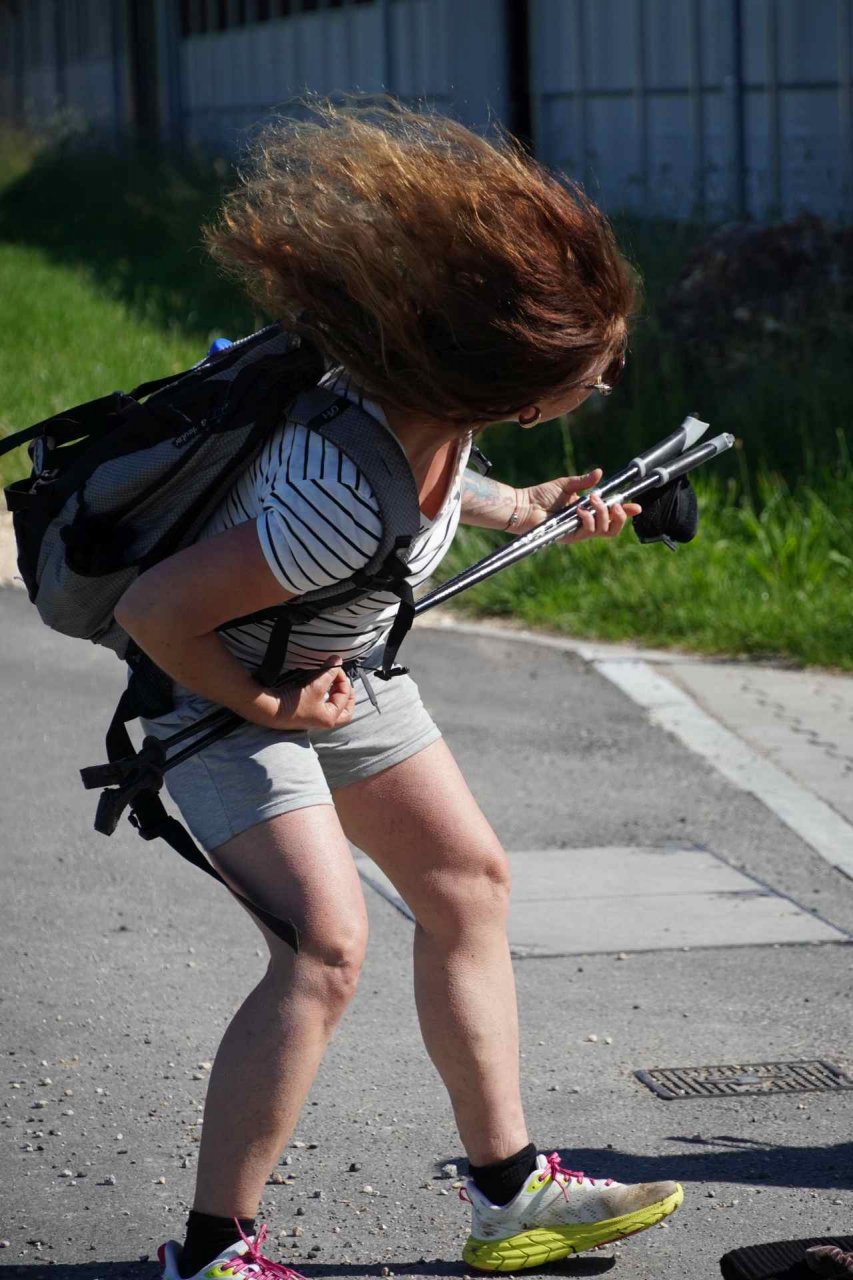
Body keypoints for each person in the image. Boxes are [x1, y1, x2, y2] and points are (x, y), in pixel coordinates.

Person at [114, 102, 683, 1280]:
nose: (605, 383)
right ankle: (212, 1252)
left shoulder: (432, 405)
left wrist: (524, 507)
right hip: (219, 690)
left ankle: (508, 1195)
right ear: (520, 386)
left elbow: (434, 477)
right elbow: (156, 611)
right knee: (324, 945)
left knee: (466, 881)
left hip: (339, 667)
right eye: (598, 371)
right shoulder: (333, 503)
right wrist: (272, 710)